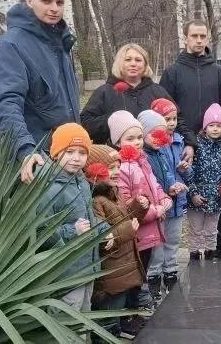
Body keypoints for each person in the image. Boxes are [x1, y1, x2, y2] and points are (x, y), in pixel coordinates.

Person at [0, 0, 81, 183]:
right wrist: (25, 149)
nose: (54, 8)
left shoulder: (61, 43)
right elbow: (5, 104)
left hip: (65, 158)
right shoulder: (12, 44)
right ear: (30, 1)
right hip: (35, 161)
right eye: (46, 1)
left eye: (59, 2)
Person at [159, 19, 221, 259]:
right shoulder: (172, 72)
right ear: (185, 38)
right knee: (188, 192)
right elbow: (168, 109)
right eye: (194, 36)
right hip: (184, 144)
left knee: (216, 191)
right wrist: (188, 140)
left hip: (215, 143)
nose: (199, 40)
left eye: (203, 36)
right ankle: (188, 247)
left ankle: (218, 243)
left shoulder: (219, 72)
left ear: (208, 38)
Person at [108, 110, 172, 337]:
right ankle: (126, 319)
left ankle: (133, 314)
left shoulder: (142, 161)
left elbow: (155, 187)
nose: (136, 142)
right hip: (137, 234)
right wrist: (158, 210)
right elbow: (128, 205)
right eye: (129, 138)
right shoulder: (122, 168)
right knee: (133, 278)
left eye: (138, 137)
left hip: (150, 233)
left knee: (140, 275)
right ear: (118, 142)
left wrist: (164, 199)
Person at [36, 123, 111, 313]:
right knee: (67, 318)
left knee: (84, 314)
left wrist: (104, 230)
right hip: (65, 274)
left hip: (86, 268)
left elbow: (89, 217)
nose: (76, 158)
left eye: (82, 152)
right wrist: (72, 231)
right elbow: (40, 231)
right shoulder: (48, 187)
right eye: (69, 151)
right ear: (55, 153)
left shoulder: (81, 182)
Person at [85, 147, 148, 341]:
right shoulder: (96, 201)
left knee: (116, 314)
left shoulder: (113, 192)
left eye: (118, 167)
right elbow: (103, 238)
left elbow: (125, 219)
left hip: (122, 268)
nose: (116, 172)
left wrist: (138, 207)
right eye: (110, 167)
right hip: (111, 274)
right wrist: (128, 229)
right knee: (107, 318)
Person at [137, 108, 189, 302]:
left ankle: (170, 273)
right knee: (156, 245)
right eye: (153, 134)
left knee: (172, 239)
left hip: (168, 202)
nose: (159, 138)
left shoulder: (159, 153)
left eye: (162, 134)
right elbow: (147, 182)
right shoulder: (143, 157)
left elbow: (166, 174)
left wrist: (172, 185)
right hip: (154, 207)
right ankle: (153, 276)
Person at [81, 43, 174, 145]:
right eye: (128, 60)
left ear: (145, 65)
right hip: (116, 153)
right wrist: (112, 120)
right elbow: (86, 123)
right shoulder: (104, 92)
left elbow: (177, 117)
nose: (133, 64)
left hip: (156, 151)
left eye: (138, 60)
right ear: (119, 64)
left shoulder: (158, 91)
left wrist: (185, 142)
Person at [187, 104, 221, 260]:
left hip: (216, 197)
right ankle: (194, 255)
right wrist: (193, 193)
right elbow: (189, 172)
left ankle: (210, 254)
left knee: (211, 230)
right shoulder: (196, 146)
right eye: (211, 125)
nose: (215, 129)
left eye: (219, 126)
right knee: (195, 229)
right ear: (205, 127)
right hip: (197, 197)